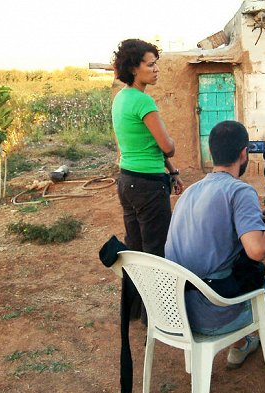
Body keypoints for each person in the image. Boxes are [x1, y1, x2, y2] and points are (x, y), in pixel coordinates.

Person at [165, 120, 265, 385]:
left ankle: (240, 346)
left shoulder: (191, 191)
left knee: (226, 268)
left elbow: (212, 235)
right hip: (215, 314)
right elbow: (257, 250)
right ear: (243, 153)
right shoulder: (239, 190)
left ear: (212, 151)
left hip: (180, 311)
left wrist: (250, 220)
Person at [112, 39, 184, 324]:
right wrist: (172, 153)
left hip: (127, 181)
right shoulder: (143, 100)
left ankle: (133, 310)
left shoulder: (122, 98)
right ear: (134, 67)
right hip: (148, 187)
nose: (156, 70)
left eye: (156, 64)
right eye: (150, 64)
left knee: (135, 249)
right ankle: (158, 316)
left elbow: (146, 146)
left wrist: (173, 171)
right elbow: (166, 145)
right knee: (156, 250)